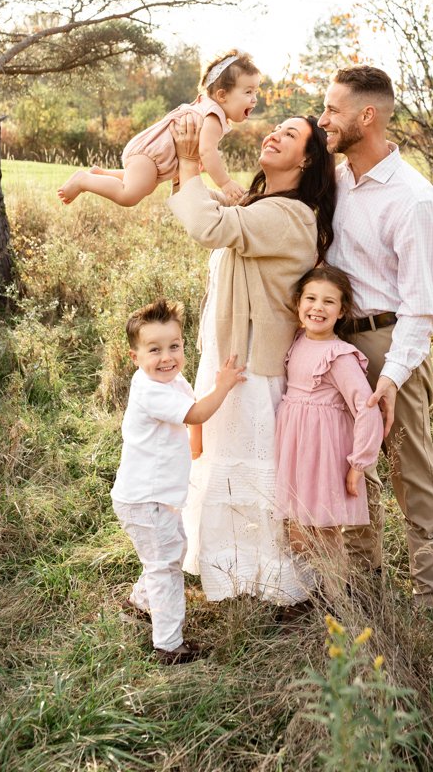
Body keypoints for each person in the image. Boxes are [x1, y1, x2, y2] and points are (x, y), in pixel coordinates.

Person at [167, 112, 336, 603]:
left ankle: (260, 579)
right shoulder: (263, 206)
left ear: (307, 159)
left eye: (290, 134)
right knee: (219, 456)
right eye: (275, 127)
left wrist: (187, 160)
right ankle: (226, 564)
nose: (274, 134)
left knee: (244, 462)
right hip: (229, 353)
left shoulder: (290, 215)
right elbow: (212, 210)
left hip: (251, 365)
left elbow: (205, 224)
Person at [318, 65, 433, 605]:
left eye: (332, 109)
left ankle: (431, 597)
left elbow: (420, 310)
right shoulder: (336, 178)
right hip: (332, 342)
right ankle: (362, 577)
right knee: (348, 461)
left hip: (387, 341)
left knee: (408, 464)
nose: (322, 119)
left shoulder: (414, 200)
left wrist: (393, 378)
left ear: (365, 115)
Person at [111, 298, 246, 663]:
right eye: (154, 350)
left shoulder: (171, 378)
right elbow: (199, 410)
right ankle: (169, 645)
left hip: (155, 495)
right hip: (144, 499)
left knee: (169, 552)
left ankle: (141, 600)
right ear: (134, 357)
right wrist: (225, 385)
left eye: (174, 346)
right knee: (166, 567)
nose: (167, 356)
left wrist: (195, 445)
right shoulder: (151, 389)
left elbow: (190, 411)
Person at [274, 265, 384, 597]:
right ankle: (310, 593)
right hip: (296, 450)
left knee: (325, 531)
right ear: (298, 304)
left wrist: (358, 463)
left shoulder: (339, 356)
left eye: (328, 302)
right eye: (310, 298)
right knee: (296, 529)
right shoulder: (296, 341)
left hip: (323, 455)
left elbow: (367, 408)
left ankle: (338, 602)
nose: (317, 308)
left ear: (342, 311)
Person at [57, 50, 260, 207]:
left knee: (146, 184)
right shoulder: (214, 117)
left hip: (151, 155)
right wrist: (224, 183)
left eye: (256, 91)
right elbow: (208, 151)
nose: (254, 98)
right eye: (248, 91)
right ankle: (83, 180)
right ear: (222, 95)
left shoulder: (206, 105)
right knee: (129, 196)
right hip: (151, 154)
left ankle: (100, 175)